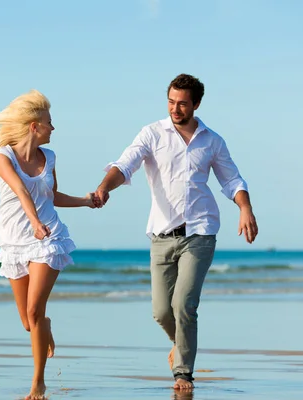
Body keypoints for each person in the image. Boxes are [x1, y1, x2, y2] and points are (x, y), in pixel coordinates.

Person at [93, 74, 258, 391]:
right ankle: (181, 344)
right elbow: (125, 164)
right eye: (171, 101)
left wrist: (245, 208)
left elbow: (232, 180)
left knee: (184, 306)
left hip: (200, 232)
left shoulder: (212, 141)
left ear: (196, 104)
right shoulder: (152, 134)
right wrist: (104, 187)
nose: (175, 108)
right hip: (161, 233)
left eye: (182, 103)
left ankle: (183, 372)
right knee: (160, 311)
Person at [0, 89, 97, 400]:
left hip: (48, 240)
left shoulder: (49, 157)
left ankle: (38, 384)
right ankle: (43, 327)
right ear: (34, 126)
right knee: (29, 322)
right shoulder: (2, 157)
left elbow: (52, 197)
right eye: (49, 122)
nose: (53, 128)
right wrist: (33, 222)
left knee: (34, 310)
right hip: (15, 241)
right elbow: (22, 191)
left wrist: (85, 202)